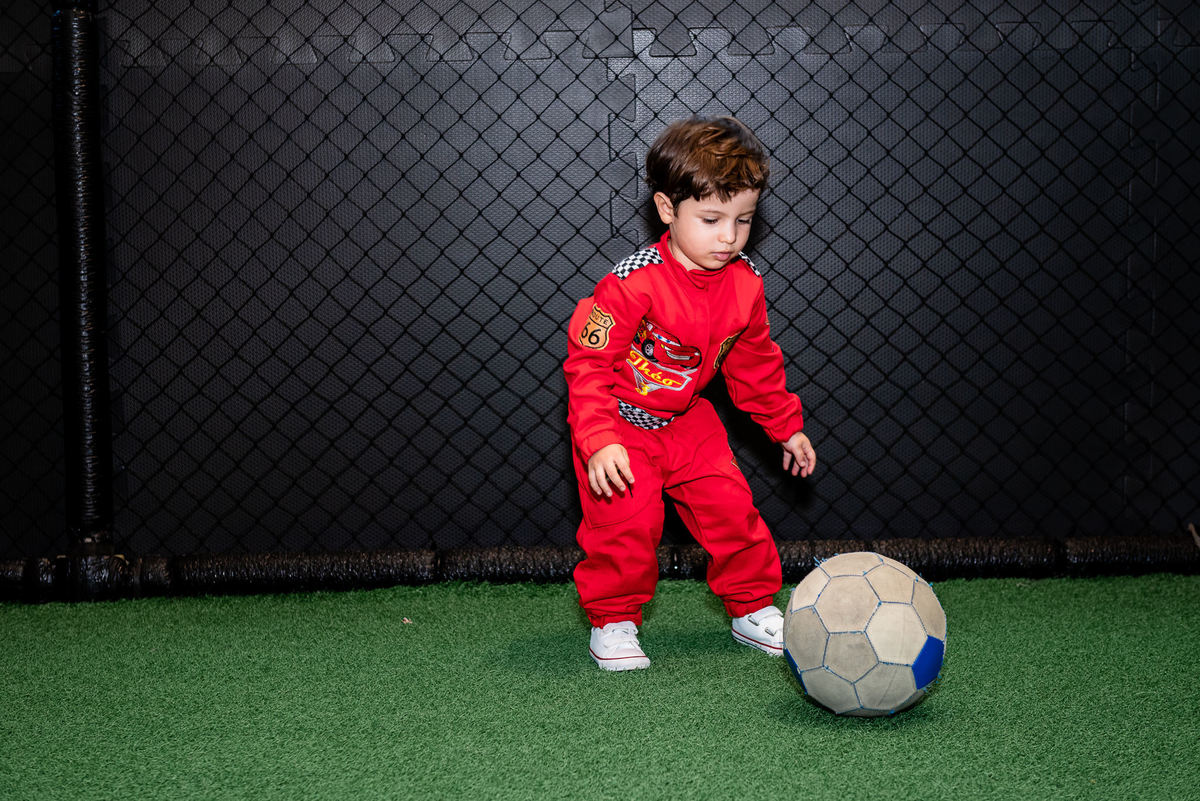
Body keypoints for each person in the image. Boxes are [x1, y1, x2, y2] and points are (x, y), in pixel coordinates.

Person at [563, 115, 816, 671]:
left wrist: (785, 427)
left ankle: (752, 608)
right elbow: (588, 364)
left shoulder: (745, 283)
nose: (729, 236)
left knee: (733, 510)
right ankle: (613, 621)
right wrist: (599, 440)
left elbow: (755, 364)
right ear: (666, 209)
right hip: (621, 424)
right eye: (711, 219)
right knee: (625, 527)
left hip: (687, 422)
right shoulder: (631, 282)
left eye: (743, 220)